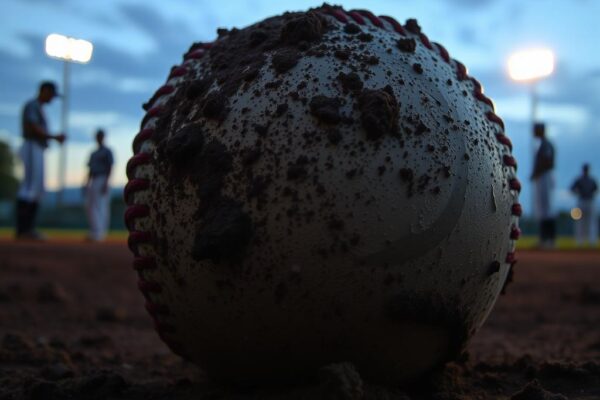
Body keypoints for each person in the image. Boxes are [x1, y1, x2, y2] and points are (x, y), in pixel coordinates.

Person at [15, 81, 66, 240]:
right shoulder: (33, 105)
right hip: (32, 145)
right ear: (44, 90)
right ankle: (23, 229)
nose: (52, 98)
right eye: (51, 94)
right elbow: (32, 127)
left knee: (37, 189)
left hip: (37, 147)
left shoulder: (39, 107)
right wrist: (53, 137)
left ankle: (28, 229)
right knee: (30, 187)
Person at [83, 129, 114, 241]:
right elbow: (90, 170)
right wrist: (86, 182)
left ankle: (99, 233)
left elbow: (110, 167)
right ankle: (95, 231)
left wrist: (106, 182)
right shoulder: (94, 153)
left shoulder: (107, 151)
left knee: (101, 205)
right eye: (98, 136)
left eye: (100, 136)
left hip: (102, 178)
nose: (99, 138)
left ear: (103, 137)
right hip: (94, 180)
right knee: (91, 205)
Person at [530, 122, 555, 249]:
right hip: (542, 176)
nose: (533, 132)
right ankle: (544, 239)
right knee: (542, 209)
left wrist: (536, 172)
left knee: (547, 209)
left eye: (535, 130)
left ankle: (549, 240)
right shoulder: (542, 144)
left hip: (545, 176)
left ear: (541, 130)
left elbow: (548, 162)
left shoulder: (546, 144)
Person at [570, 164, 598, 246]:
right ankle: (580, 241)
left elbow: (596, 189)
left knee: (591, 222)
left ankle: (591, 241)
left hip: (589, 201)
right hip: (582, 201)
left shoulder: (591, 180)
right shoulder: (580, 180)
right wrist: (577, 192)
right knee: (580, 222)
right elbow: (572, 189)